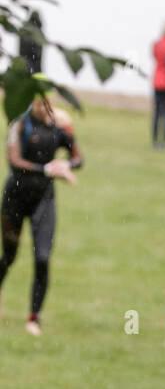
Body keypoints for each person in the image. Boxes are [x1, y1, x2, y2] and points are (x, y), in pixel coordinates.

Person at [0, 96, 82, 336]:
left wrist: (67, 166)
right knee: (9, 255)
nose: (41, 107)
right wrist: (45, 169)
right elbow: (14, 161)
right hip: (14, 199)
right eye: (36, 102)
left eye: (45, 102)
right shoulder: (20, 124)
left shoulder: (60, 125)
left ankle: (34, 318)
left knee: (43, 258)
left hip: (43, 201)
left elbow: (77, 157)